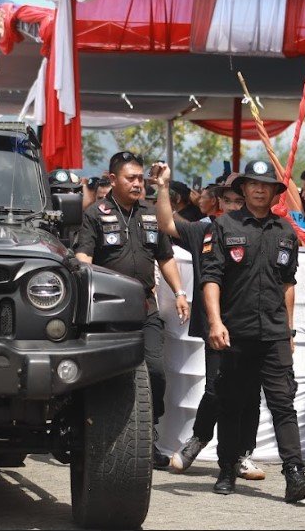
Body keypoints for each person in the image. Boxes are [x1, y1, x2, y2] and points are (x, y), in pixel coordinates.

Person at [202, 160, 305, 502]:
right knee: (233, 402)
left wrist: (290, 329)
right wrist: (215, 322)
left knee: (284, 402)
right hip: (235, 332)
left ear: (274, 192)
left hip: (274, 333)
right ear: (243, 189)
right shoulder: (223, 226)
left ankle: (295, 474)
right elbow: (211, 278)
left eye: (266, 184)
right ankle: (226, 469)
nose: (259, 189)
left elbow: (288, 284)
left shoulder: (285, 232)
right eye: (253, 184)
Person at [74, 151, 190, 468]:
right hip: (109, 309)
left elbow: (165, 257)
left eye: (140, 178)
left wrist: (179, 292)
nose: (138, 183)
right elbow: (83, 258)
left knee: (154, 371)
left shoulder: (151, 214)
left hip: (146, 305)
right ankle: (96, 436)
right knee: (109, 375)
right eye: (131, 178)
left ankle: (146, 437)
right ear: (113, 179)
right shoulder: (95, 214)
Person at [154, 170, 260, 478]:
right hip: (216, 326)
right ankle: (199, 438)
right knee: (215, 388)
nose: (233, 206)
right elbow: (166, 224)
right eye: (227, 200)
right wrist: (162, 188)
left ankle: (243, 454)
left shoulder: (265, 231)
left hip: (254, 326)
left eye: (239, 200)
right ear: (219, 203)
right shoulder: (205, 231)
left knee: (250, 392)